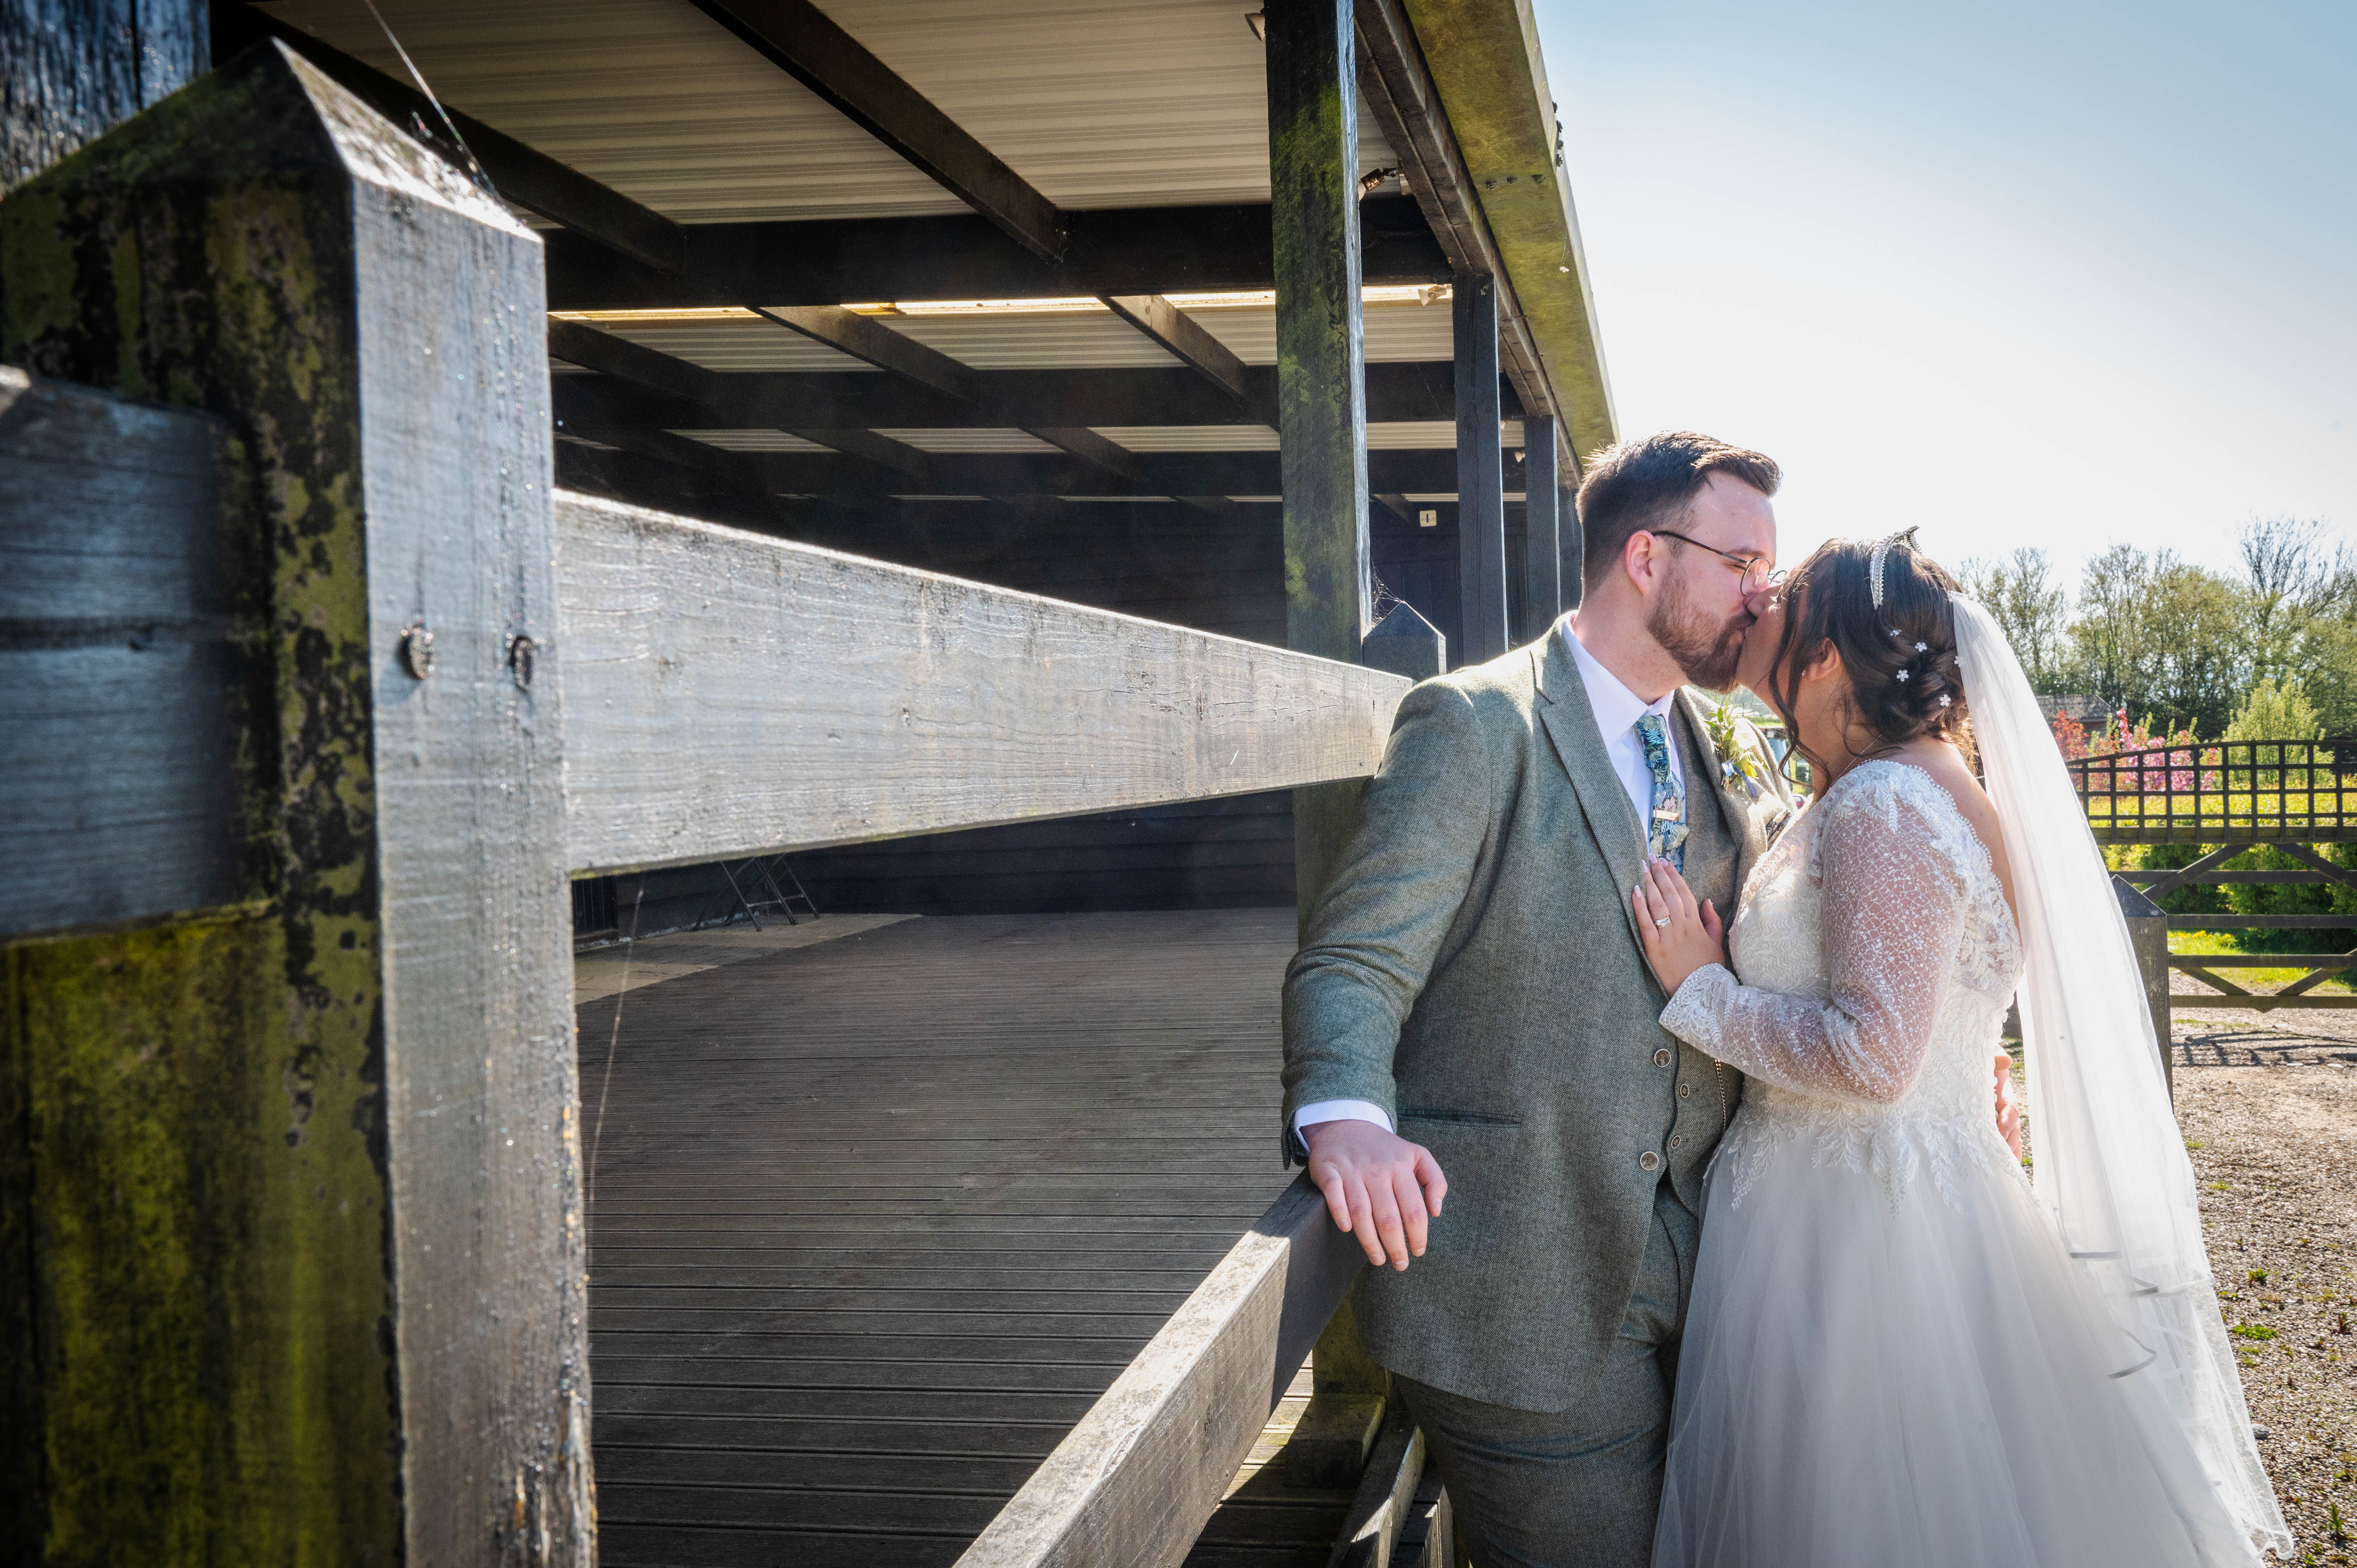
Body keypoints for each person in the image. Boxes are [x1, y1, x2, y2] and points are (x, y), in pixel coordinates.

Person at [1281, 432, 2018, 1567]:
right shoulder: (1479, 726)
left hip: (1723, 1291)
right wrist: (1346, 1120)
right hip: (1523, 1295)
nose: (1763, 596)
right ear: (1645, 557)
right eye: (1742, 564)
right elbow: (1355, 957)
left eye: (1770, 573)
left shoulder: (1723, 752)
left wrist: (1962, 1055)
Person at [1636, 533, 2288, 1566]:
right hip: (1907, 1197)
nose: (1767, 642)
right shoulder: (1911, 786)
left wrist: (1702, 993)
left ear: (1829, 658)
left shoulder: (1885, 803)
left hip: (1852, 1228)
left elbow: (1877, 1058)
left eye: (1790, 627)